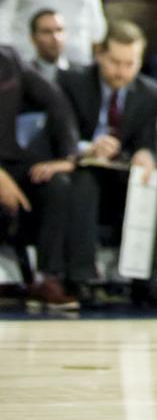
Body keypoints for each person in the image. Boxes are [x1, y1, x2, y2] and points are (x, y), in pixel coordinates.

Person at [59, 20, 157, 306]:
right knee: (84, 183)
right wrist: (88, 149)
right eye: (115, 62)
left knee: (155, 183)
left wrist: (145, 154)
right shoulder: (73, 82)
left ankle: (146, 281)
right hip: (82, 166)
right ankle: (79, 278)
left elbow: (146, 142)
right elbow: (61, 133)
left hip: (121, 171)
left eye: (130, 63)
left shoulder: (150, 92)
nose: (122, 71)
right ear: (100, 56)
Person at [0, 41, 80, 309]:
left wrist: (68, 158)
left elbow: (55, 101)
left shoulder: (8, 58)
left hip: (10, 160)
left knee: (54, 184)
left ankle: (48, 277)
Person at [25, 7, 70, 81]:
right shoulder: (24, 76)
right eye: (47, 32)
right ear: (33, 38)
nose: (55, 37)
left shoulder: (83, 75)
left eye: (59, 30)